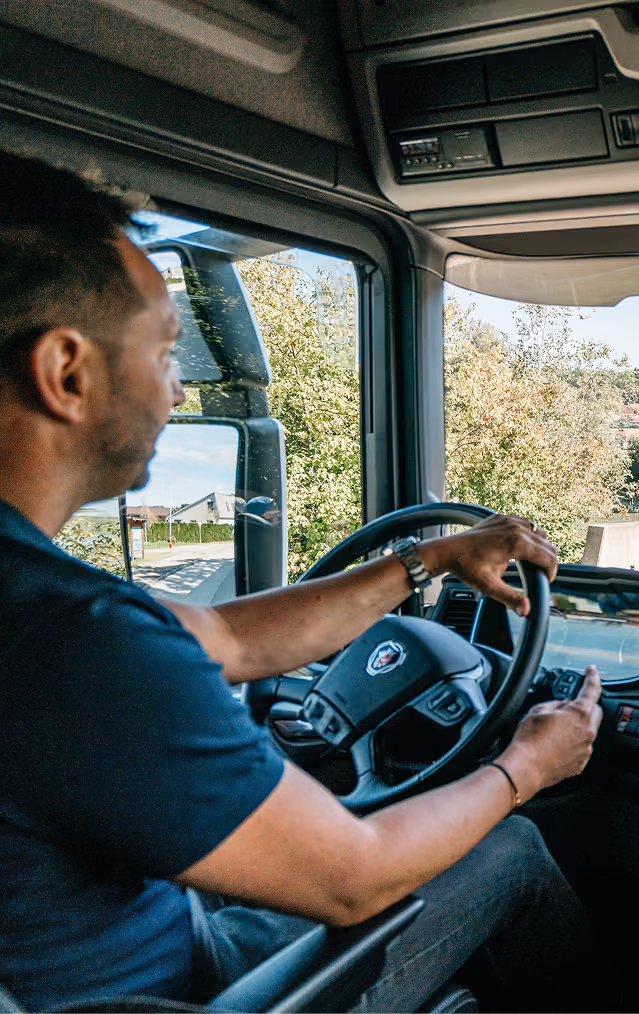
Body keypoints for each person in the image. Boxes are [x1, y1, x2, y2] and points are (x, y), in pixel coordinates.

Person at [0, 153, 603, 1013]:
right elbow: (354, 879)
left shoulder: (37, 603)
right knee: (513, 850)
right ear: (66, 372)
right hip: (191, 989)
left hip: (116, 957)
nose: (177, 389)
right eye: (166, 352)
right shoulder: (77, 641)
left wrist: (426, 561)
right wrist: (527, 765)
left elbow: (235, 638)